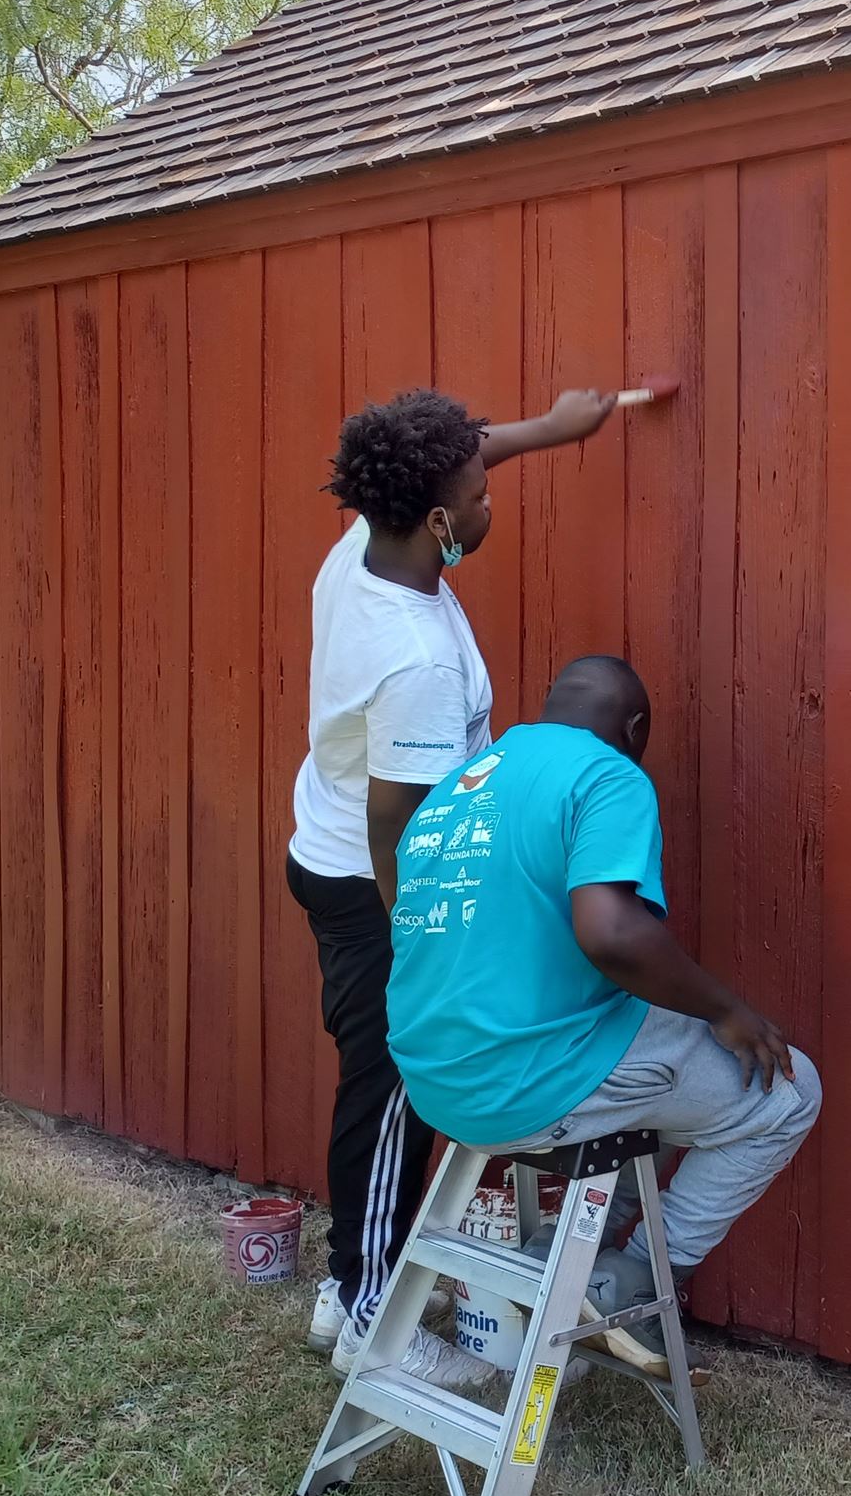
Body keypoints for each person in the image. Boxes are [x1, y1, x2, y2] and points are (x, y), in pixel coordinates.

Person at [288, 385, 620, 1386]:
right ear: (437, 519)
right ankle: (363, 1315)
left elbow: (453, 456)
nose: (488, 498)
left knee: (384, 1087)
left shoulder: (363, 544)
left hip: (328, 847)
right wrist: (422, 941)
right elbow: (396, 820)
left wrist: (551, 431)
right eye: (478, 494)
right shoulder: (418, 661)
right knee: (395, 1092)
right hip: (376, 881)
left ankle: (349, 1281)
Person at [385, 655, 820, 1378]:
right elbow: (611, 933)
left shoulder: (458, 787)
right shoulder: (606, 775)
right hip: (524, 1084)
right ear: (635, 728)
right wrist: (726, 1009)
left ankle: (560, 1255)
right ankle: (630, 1277)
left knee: (648, 1053)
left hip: (432, 1080)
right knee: (788, 1091)